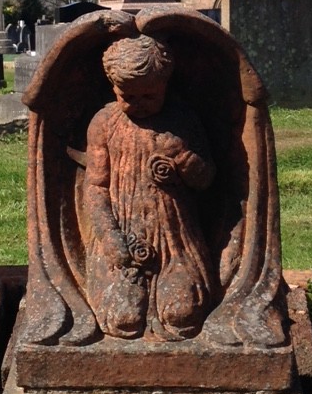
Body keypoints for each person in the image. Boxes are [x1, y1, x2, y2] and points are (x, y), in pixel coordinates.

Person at [84, 34, 216, 341]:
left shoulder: (182, 120)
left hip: (174, 240)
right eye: (128, 96)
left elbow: (207, 179)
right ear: (113, 87)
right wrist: (110, 237)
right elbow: (96, 187)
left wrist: (186, 160)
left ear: (165, 86)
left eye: (150, 96)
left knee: (182, 314)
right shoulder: (104, 123)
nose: (139, 104)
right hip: (123, 235)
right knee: (124, 319)